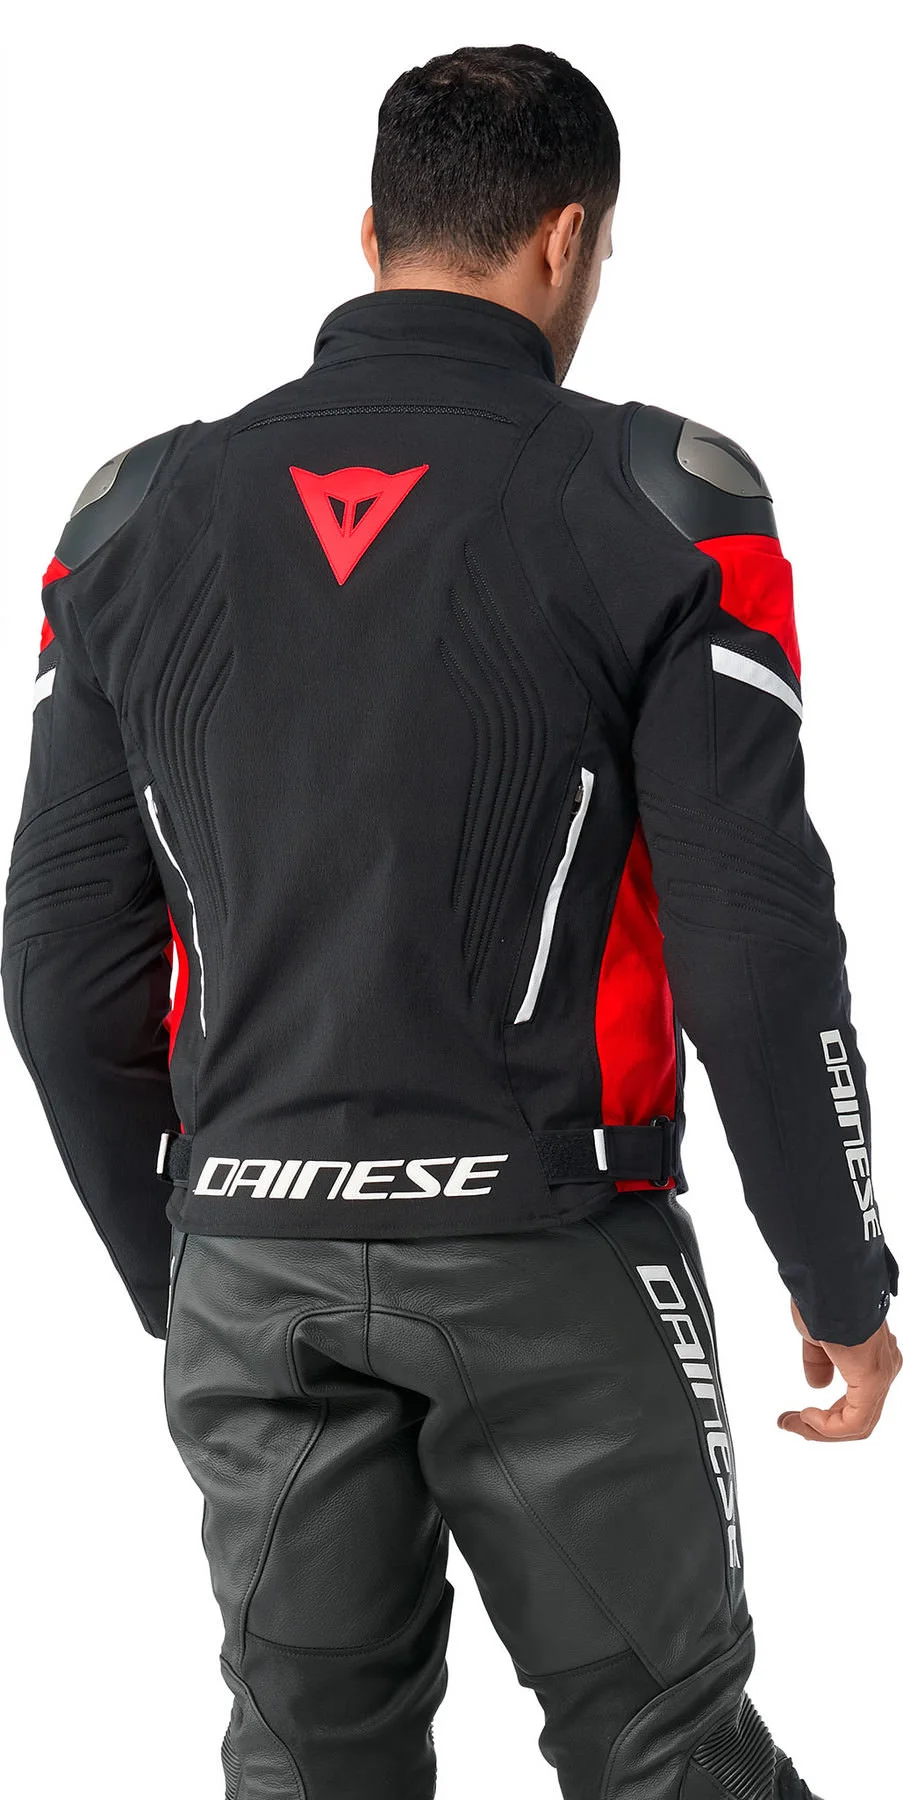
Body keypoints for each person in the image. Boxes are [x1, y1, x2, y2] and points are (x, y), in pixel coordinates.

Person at [2, 40, 898, 1800]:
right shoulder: (665, 502)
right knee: (665, 1751)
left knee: (307, 1765)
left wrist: (179, 1257)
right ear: (567, 238)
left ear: (370, 236)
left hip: (249, 1255)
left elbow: (57, 960)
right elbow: (753, 942)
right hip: (552, 1244)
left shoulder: (128, 523)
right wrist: (838, 1270)